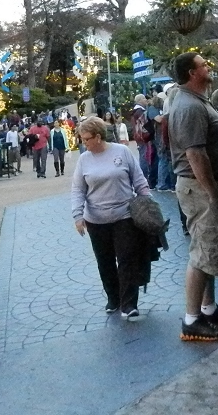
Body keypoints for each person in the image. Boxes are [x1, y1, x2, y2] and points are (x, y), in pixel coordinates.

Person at [168, 52, 218, 342]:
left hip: (201, 185)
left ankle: (207, 309)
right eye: (203, 64)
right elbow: (195, 154)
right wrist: (212, 192)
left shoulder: (194, 101)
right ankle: (192, 320)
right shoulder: (189, 106)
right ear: (192, 73)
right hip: (199, 187)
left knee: (206, 249)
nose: (208, 66)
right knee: (201, 250)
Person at [71, 116, 152, 318]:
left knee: (127, 259)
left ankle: (129, 303)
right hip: (96, 220)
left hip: (124, 215)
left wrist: (149, 204)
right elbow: (78, 189)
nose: (84, 143)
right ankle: (113, 297)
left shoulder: (122, 152)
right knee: (104, 261)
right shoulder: (84, 160)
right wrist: (78, 216)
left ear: (98, 137)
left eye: (86, 139)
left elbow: (139, 180)